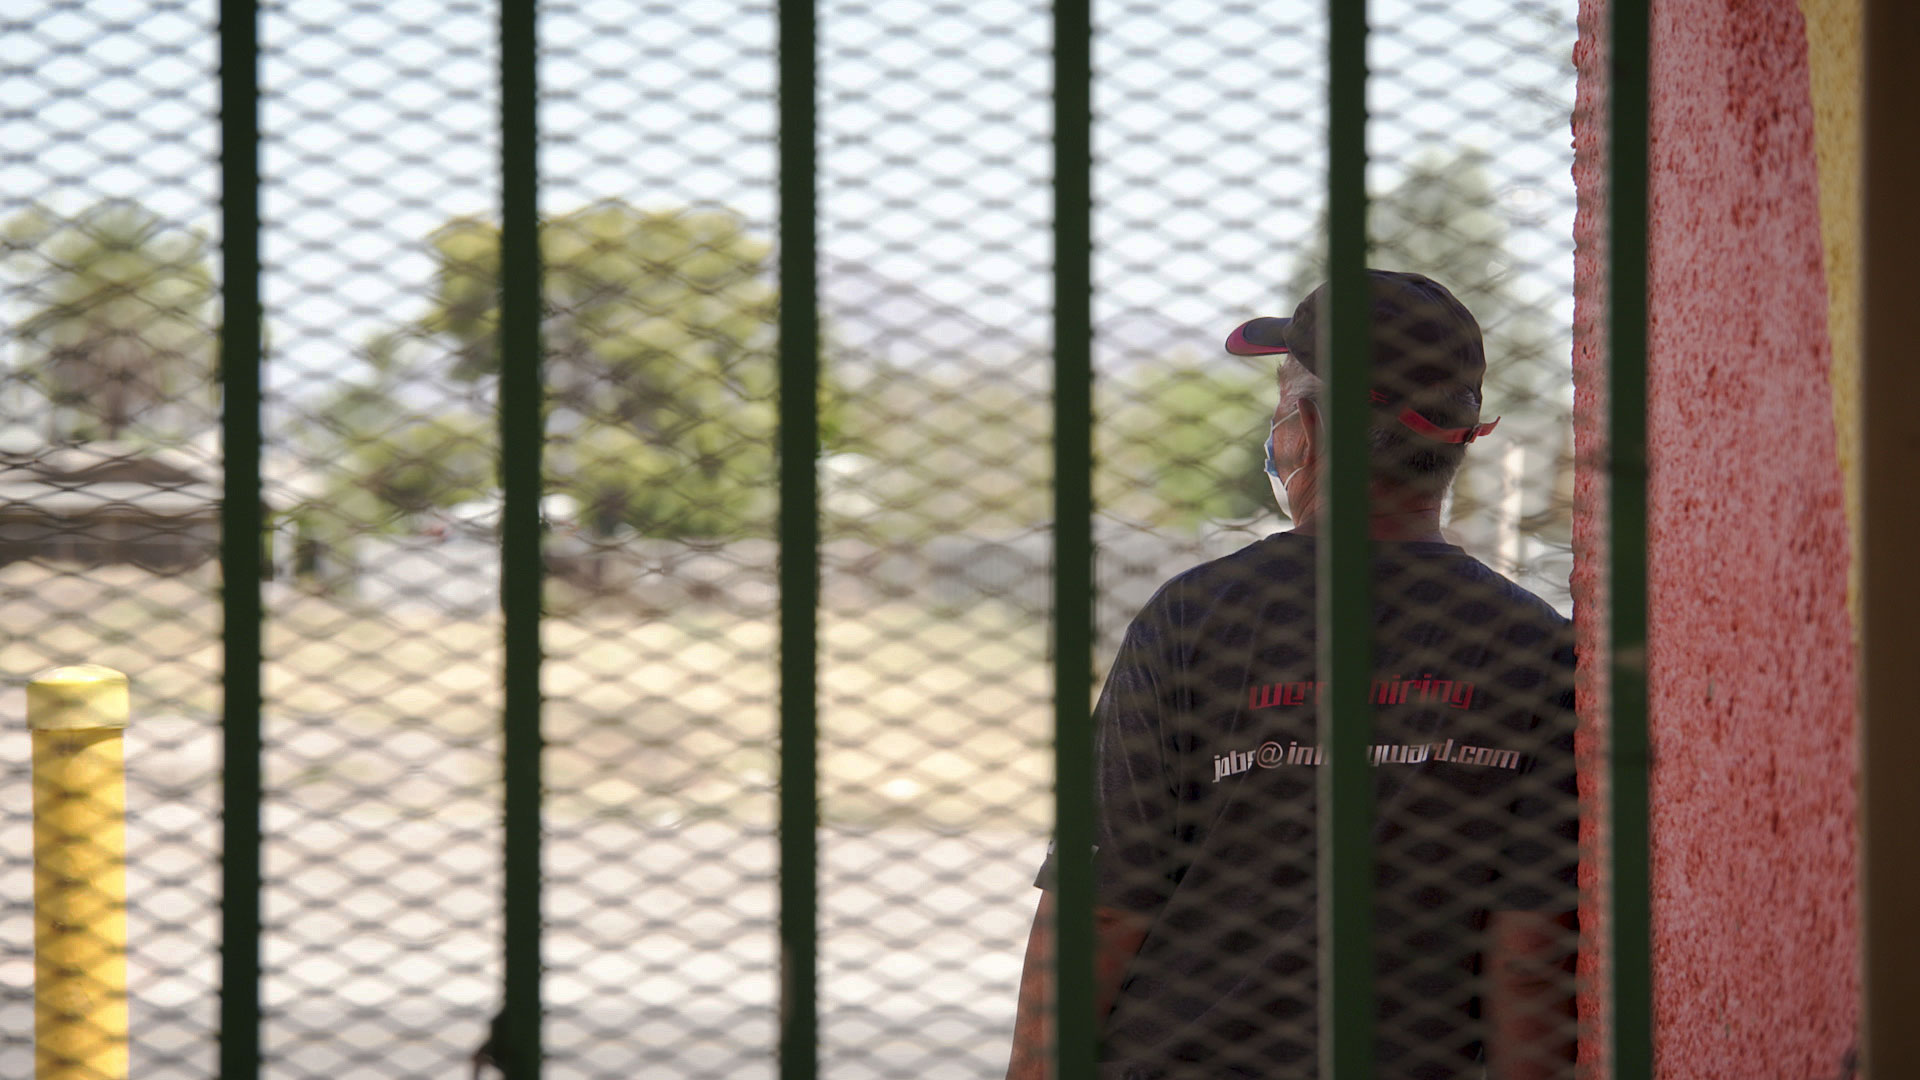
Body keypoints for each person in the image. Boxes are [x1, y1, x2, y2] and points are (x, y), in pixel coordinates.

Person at [1005, 270, 1579, 1080]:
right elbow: (1528, 955)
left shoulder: (1195, 619)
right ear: (1462, 437)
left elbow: (1100, 908)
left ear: (1307, 427)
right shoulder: (1538, 648)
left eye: (1281, 407)